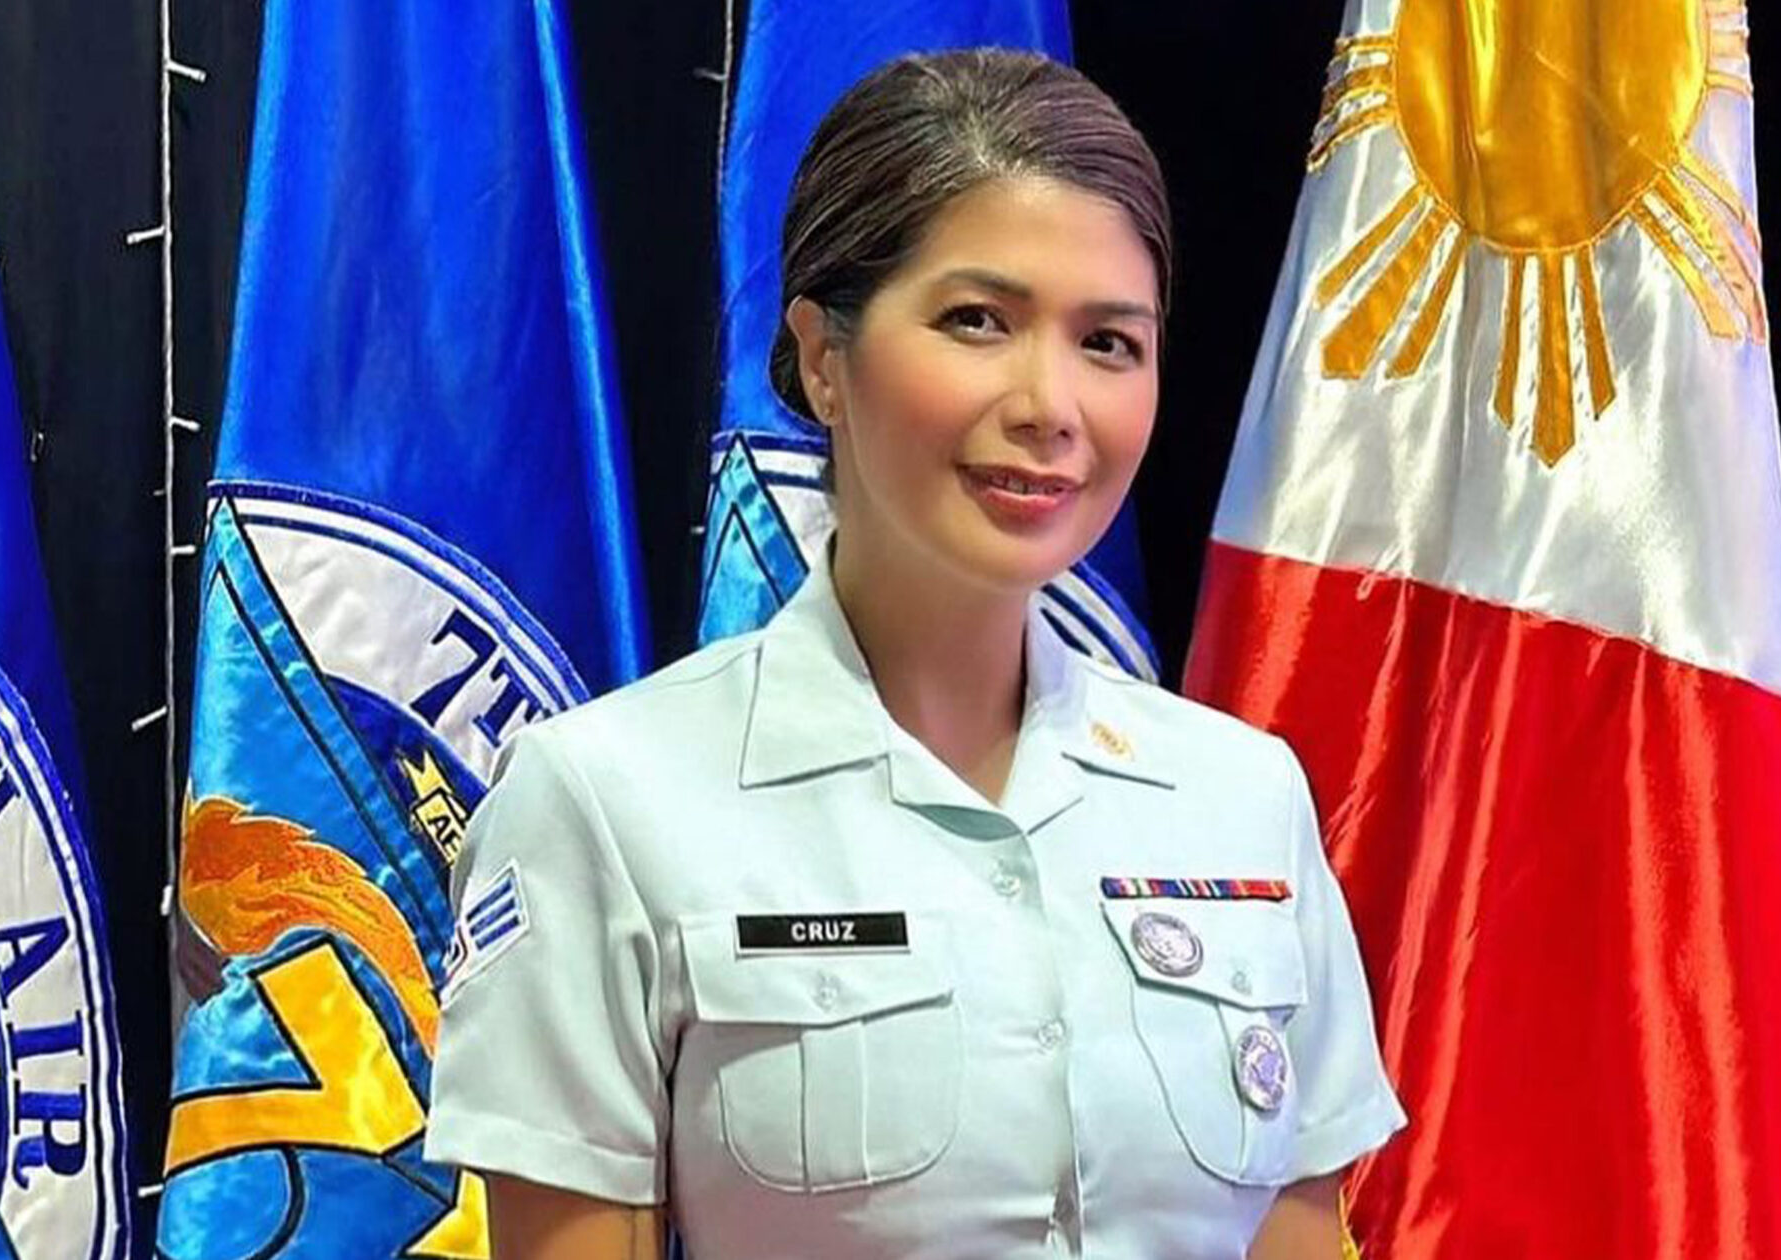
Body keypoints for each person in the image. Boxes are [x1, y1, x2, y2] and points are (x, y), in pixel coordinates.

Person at [422, 48, 1404, 1260]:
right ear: (821, 358)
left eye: (1108, 342)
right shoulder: (610, 799)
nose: (1049, 405)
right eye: (976, 321)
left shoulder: (1240, 796)